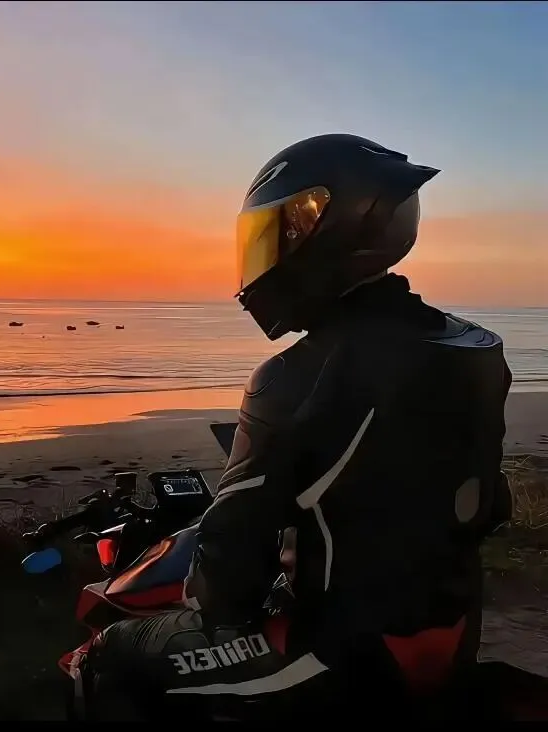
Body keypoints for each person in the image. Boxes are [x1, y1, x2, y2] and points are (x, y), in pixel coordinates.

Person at [80, 134, 514, 720]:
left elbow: (229, 571)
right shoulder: (474, 347)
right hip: (448, 632)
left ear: (324, 230)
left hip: (340, 656)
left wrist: (209, 603)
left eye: (273, 234)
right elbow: (486, 503)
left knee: (109, 656)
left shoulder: (295, 376)